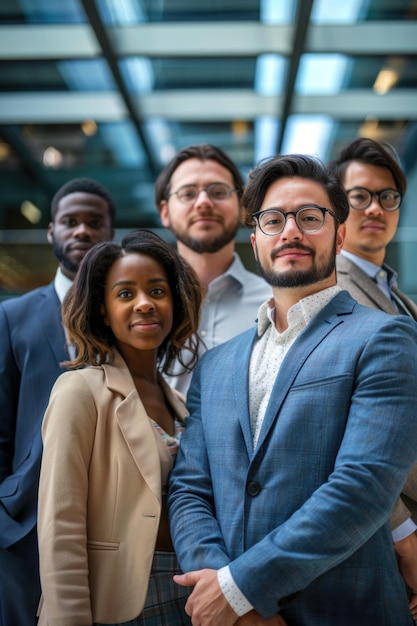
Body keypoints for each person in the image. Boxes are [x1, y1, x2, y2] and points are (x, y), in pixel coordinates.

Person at [168, 154, 417, 625]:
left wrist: (242, 588)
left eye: (310, 217)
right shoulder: (216, 365)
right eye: (273, 219)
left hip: (346, 610)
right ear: (256, 240)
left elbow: (363, 488)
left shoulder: (384, 338)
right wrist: (222, 587)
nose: (291, 231)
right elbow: (189, 489)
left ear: (339, 235)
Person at [37, 229, 202, 625]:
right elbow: (61, 524)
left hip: (187, 596)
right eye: (126, 294)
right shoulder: (80, 390)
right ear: (102, 310)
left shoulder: (180, 404)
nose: (145, 304)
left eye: (158, 291)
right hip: (115, 601)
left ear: (175, 304)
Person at [0, 177, 116, 626]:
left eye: (94, 222)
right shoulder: (13, 316)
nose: (82, 231)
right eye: (70, 222)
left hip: (111, 518)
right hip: (23, 524)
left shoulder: (128, 311)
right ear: (51, 232)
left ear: (110, 233)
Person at [329, 137, 417, 616]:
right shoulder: (335, 293)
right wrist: (404, 535)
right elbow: (348, 432)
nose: (375, 208)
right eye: (359, 196)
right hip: (383, 535)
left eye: (387, 196)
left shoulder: (397, 297)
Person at [155, 143, 271, 395]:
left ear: (242, 206)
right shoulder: (139, 308)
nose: (204, 202)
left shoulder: (274, 306)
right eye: (187, 193)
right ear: (165, 212)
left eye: (218, 192)